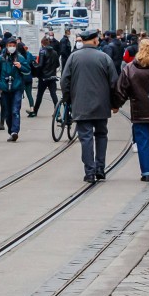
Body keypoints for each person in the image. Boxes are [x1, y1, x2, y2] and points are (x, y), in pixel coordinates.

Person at [61, 28, 119, 182]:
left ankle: (89, 171)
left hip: (81, 105)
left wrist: (68, 99)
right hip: (102, 105)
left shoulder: (73, 58)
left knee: (85, 138)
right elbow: (114, 83)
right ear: (94, 40)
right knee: (101, 135)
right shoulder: (105, 58)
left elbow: (64, 80)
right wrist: (115, 103)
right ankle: (100, 168)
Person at [117, 39, 149, 183]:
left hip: (139, 110)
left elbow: (121, 89)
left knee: (143, 141)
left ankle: (145, 173)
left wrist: (115, 105)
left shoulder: (130, 68)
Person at [0, 36, 31, 142]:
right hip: (4, 89)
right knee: (7, 112)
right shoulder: (1, 59)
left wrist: (20, 66)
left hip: (17, 88)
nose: (11, 47)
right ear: (6, 46)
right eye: (10, 46)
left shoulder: (20, 58)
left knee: (15, 110)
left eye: (13, 46)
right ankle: (11, 131)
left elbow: (28, 71)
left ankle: (15, 131)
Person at [27, 35, 61, 117]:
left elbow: (40, 65)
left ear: (42, 43)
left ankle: (35, 111)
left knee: (40, 95)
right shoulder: (55, 52)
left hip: (44, 77)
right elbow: (58, 64)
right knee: (54, 94)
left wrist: (34, 65)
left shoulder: (42, 51)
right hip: (52, 77)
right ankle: (57, 112)